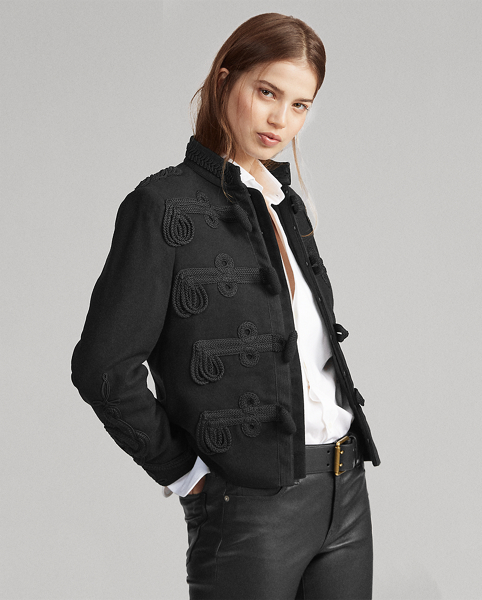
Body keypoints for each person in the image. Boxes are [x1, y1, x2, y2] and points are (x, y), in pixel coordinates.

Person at [71, 12, 380, 600]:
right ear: (224, 79)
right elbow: (101, 366)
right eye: (267, 92)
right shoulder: (162, 205)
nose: (280, 120)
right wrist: (183, 472)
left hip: (346, 492)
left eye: (300, 105)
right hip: (250, 508)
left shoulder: (286, 205)